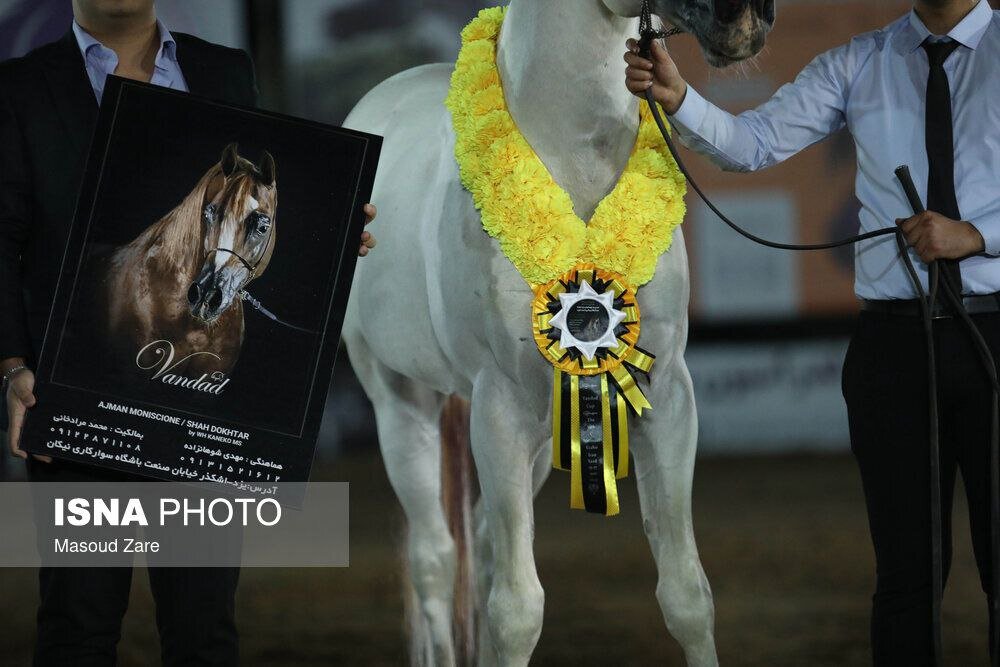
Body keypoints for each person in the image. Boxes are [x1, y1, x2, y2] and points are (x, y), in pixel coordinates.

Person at [0, 0, 377, 664]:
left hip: (202, 409)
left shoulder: (225, 72)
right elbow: (1, 241)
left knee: (203, 627)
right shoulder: (20, 89)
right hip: (80, 405)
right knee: (77, 623)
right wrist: (12, 366)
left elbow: (253, 211)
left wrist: (336, 232)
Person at [626, 0, 999, 664]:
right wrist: (678, 97)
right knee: (906, 578)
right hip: (893, 351)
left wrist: (977, 236)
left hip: (994, 334)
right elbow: (754, 143)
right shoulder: (861, 61)